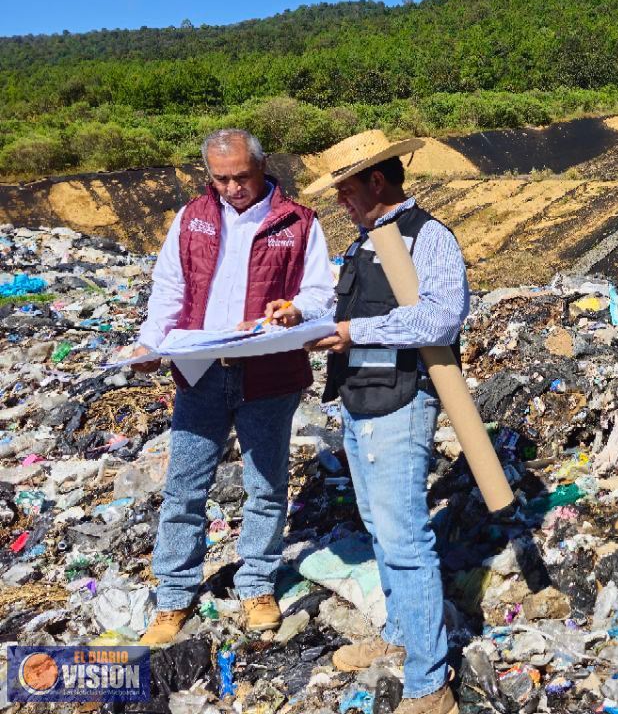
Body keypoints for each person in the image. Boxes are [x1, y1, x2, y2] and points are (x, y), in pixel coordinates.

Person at [125, 128, 334, 646]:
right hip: (201, 371)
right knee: (184, 487)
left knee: (265, 485)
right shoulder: (191, 218)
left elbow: (320, 294)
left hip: (269, 373)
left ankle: (258, 584)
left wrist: (297, 310)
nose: (234, 187)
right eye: (222, 179)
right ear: (208, 176)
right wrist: (148, 345)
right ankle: (174, 597)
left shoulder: (299, 222)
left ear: (262, 168)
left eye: (242, 176)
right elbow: (169, 288)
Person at [302, 129, 468, 714]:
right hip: (359, 399)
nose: (340, 204)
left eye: (345, 191)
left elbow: (439, 321)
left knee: (404, 539)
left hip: (400, 399)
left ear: (377, 181)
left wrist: (353, 334)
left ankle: (430, 686)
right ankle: (402, 633)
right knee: (378, 526)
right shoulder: (363, 242)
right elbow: (347, 305)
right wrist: (302, 313)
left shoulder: (429, 237)